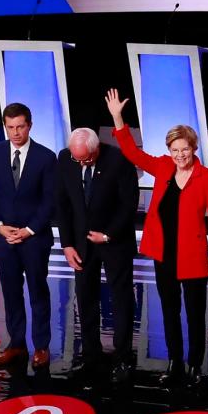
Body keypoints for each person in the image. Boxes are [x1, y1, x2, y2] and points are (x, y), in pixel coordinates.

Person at [107, 89, 208, 387]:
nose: (179, 155)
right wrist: (118, 118)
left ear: (193, 148)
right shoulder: (162, 167)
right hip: (164, 253)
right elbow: (132, 153)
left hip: (194, 256)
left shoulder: (205, 177)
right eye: (174, 150)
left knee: (196, 314)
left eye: (184, 149)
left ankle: (195, 366)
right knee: (169, 310)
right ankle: (174, 363)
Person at [55, 124, 139, 385]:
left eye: (86, 159)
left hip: (114, 241)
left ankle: (122, 357)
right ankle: (91, 355)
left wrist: (109, 234)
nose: (80, 164)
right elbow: (62, 202)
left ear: (96, 150)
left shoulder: (118, 160)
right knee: (86, 298)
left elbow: (130, 202)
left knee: (121, 299)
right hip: (81, 244)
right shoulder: (65, 158)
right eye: (76, 159)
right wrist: (67, 243)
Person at [0, 102, 57, 370]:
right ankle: (16, 345)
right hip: (4, 237)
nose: (15, 132)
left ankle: (41, 347)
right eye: (10, 127)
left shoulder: (46, 157)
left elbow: (50, 201)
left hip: (34, 237)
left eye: (20, 127)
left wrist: (28, 230)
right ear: (5, 126)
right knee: (10, 292)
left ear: (30, 125)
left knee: (37, 291)